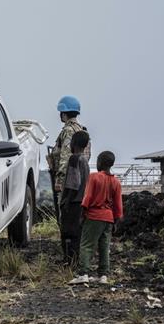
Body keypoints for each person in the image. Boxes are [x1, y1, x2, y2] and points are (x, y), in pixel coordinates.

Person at [69, 151, 123, 285]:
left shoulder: (94, 177)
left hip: (94, 216)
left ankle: (83, 273)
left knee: (86, 245)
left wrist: (82, 215)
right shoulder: (116, 182)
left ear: (100, 162)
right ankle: (103, 275)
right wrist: (116, 220)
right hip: (108, 218)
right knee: (104, 246)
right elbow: (118, 205)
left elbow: (87, 197)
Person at [47, 96, 91, 204]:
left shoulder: (68, 130)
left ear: (64, 113)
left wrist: (60, 180)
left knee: (65, 212)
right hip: (80, 177)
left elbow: (66, 157)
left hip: (68, 181)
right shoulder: (81, 129)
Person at [59, 130, 90, 266]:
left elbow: (73, 183)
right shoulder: (85, 161)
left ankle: (69, 261)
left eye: (71, 141)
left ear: (74, 143)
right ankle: (75, 260)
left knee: (67, 233)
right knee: (77, 234)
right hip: (82, 202)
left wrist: (66, 201)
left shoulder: (74, 159)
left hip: (72, 202)